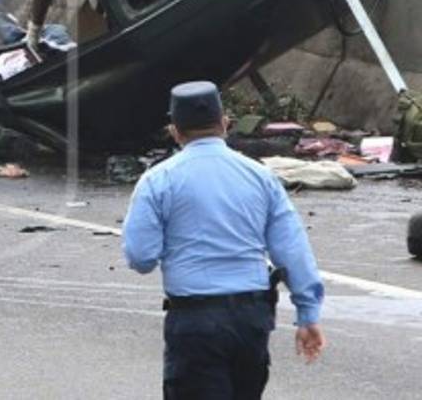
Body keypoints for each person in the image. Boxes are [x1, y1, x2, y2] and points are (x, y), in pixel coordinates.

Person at [123, 81, 326, 398]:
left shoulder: (157, 180)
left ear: (175, 131)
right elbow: (292, 249)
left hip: (194, 320)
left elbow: (141, 256)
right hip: (252, 319)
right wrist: (308, 314)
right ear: (225, 124)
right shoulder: (261, 177)